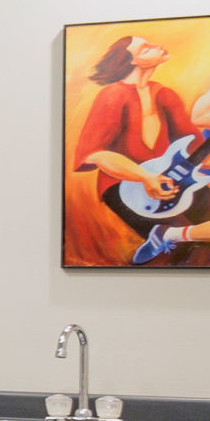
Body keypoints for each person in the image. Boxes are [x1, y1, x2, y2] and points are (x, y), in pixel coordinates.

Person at [72, 33, 204, 264]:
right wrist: (146, 177)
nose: (158, 46)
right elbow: (96, 153)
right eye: (146, 48)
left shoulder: (165, 94)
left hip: (174, 180)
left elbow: (195, 145)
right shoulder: (111, 96)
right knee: (189, 251)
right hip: (127, 188)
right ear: (131, 61)